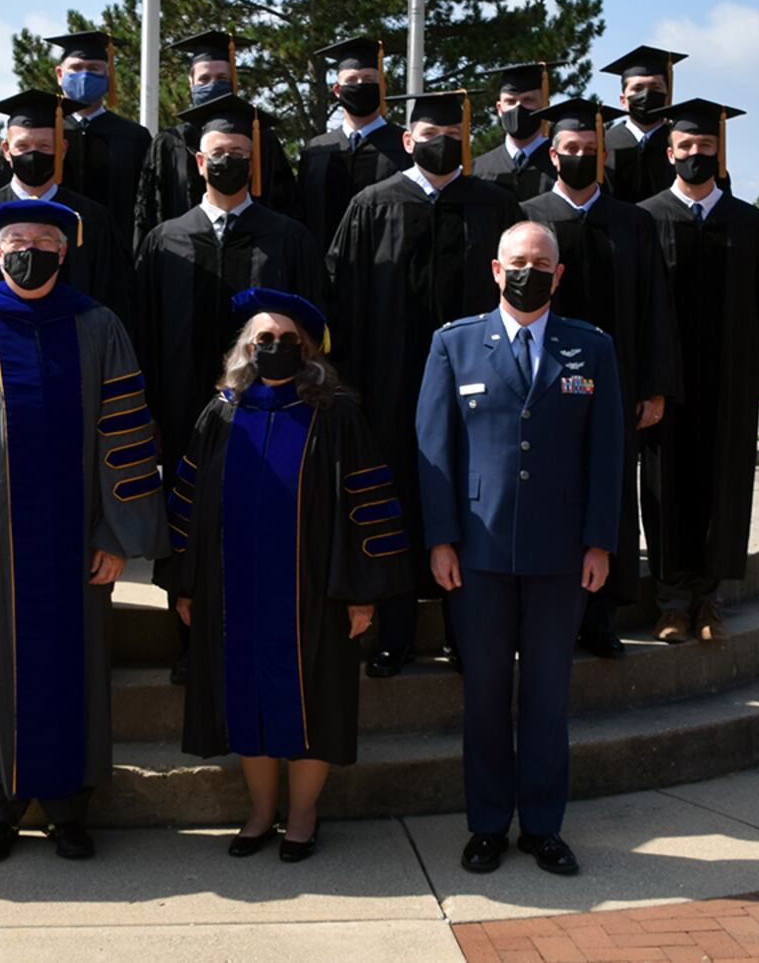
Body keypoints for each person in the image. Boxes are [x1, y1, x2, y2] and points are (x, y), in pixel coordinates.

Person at [0, 198, 169, 863]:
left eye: (44, 239)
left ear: (65, 251)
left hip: (78, 542)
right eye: (17, 238)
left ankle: (71, 808)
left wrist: (115, 534)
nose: (29, 249)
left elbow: (125, 434)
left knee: (80, 667)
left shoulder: (98, 326)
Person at [159, 288, 413, 862]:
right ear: (245, 349)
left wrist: (362, 595)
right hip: (234, 592)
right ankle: (258, 812)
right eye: (262, 340)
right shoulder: (222, 411)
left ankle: (302, 815)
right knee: (244, 699)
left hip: (313, 593)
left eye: (286, 341)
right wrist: (186, 581)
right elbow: (190, 503)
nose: (273, 348)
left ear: (309, 351)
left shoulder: (335, 412)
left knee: (313, 702)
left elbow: (365, 503)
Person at [416, 220, 623, 878]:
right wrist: (441, 536)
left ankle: (542, 825)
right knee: (482, 695)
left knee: (546, 695)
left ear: (559, 275)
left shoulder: (591, 347)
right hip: (475, 556)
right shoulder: (455, 343)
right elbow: (434, 449)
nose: (529, 270)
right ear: (495, 271)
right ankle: (485, 825)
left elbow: (608, 452)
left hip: (561, 556)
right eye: (518, 261)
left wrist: (600, 541)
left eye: (542, 261)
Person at [327, 89, 525, 678]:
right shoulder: (372, 206)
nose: (443, 144)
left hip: (477, 387)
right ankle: (396, 634)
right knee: (392, 505)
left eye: (453, 135)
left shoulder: (496, 207)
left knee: (473, 502)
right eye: (430, 135)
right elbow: (341, 299)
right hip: (387, 387)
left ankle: (468, 633)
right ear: (407, 141)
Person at [132, 93, 328, 685]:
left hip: (271, 414)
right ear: (198, 161)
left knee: (263, 523)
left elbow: (316, 332)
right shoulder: (164, 240)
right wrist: (148, 414)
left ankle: (261, 640)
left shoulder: (288, 238)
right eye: (219, 153)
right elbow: (141, 331)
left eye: (239, 153)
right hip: (182, 407)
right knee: (189, 526)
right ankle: (192, 642)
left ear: (255, 160)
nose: (228, 162)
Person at [521, 99, 679, 659]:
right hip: (542, 385)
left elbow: (656, 309)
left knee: (610, 494)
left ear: (604, 156)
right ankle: (546, 612)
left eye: (591, 152)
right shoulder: (528, 218)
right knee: (548, 491)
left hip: (617, 384)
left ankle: (600, 618)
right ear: (552, 153)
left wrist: (655, 385)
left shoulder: (634, 222)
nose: (581, 158)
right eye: (571, 151)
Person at [637, 99, 759, 643]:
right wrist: (649, 382)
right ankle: (672, 602)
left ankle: (709, 600)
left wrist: (755, 376)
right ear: (670, 152)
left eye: (706, 147)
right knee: (667, 492)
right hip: (668, 390)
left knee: (722, 490)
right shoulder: (647, 219)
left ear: (720, 154)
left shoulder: (748, 221)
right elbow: (641, 309)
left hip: (729, 388)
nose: (696, 154)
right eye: (687, 147)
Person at [0, 89, 132, 325]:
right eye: (23, 146)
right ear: (6, 151)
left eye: (44, 146)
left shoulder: (91, 219)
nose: (33, 155)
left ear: (62, 149)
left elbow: (115, 298)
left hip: (77, 351)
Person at [133, 31, 297, 248]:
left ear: (233, 81)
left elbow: (284, 203)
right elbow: (149, 210)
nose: (212, 84)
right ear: (191, 82)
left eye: (221, 78)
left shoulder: (261, 138)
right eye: (204, 79)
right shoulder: (168, 143)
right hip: (182, 255)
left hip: (255, 251)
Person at [296, 37, 412, 251]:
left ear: (382, 87)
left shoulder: (405, 145)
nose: (360, 86)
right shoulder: (316, 151)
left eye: (368, 80)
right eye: (352, 80)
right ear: (338, 91)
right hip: (323, 270)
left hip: (387, 270)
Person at [45, 29, 153, 256]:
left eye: (94, 69)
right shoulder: (43, 132)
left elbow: (146, 207)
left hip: (115, 255)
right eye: (75, 68)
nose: (84, 75)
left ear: (108, 75)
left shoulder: (135, 137)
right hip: (52, 253)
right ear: (59, 74)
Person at [600, 46, 687, 203]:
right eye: (637, 88)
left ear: (667, 96)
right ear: (623, 100)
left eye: (655, 87)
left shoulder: (683, 144)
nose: (646, 95)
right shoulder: (604, 144)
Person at [471, 62, 558, 201]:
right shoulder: (477, 168)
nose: (518, 108)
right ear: (499, 109)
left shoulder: (560, 164)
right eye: (510, 101)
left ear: (544, 105)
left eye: (528, 100)